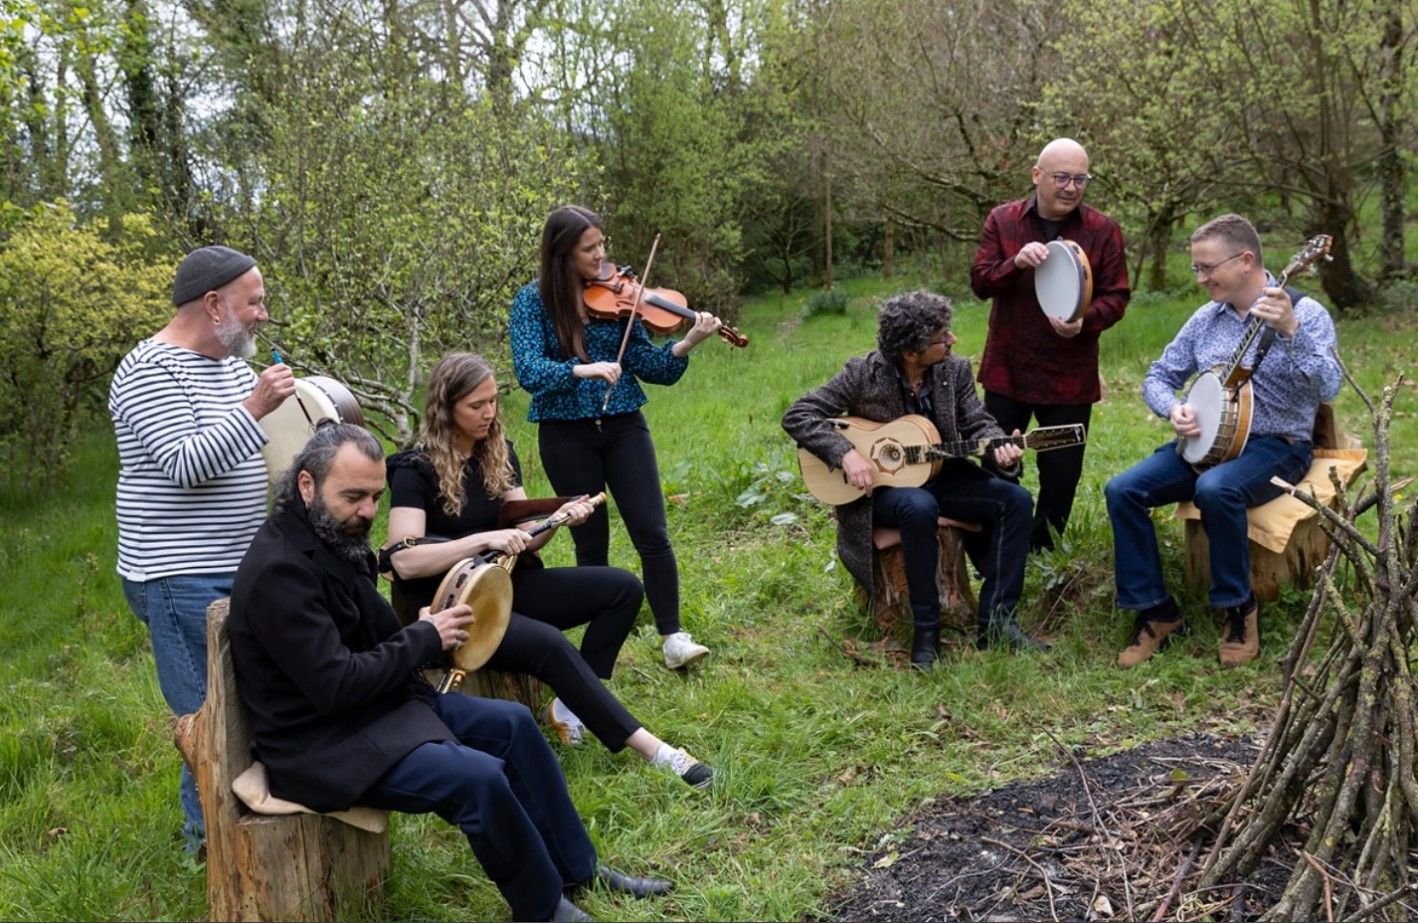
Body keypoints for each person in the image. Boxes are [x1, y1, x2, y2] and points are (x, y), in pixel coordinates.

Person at [228, 422, 675, 923]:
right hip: (323, 743)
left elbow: (366, 636)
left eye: (376, 496)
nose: (368, 512)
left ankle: (578, 867)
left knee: (514, 725)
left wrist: (418, 628)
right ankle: (543, 908)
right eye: (353, 496)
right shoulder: (279, 571)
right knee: (477, 777)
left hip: (373, 710)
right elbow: (333, 685)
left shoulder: (328, 531)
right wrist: (422, 639)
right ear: (307, 484)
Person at [383, 353, 713, 789]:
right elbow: (403, 559)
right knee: (550, 645)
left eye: (493, 401)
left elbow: (525, 535)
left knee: (623, 589)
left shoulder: (497, 453)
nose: (489, 413)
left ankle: (572, 707)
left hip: (507, 583)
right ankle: (655, 750)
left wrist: (557, 521)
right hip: (452, 611)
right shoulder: (415, 468)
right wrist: (484, 540)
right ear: (445, 408)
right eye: (475, 405)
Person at [109, 244, 295, 853]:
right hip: (176, 574)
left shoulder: (231, 368)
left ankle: (242, 825)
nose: (264, 314)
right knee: (209, 718)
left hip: (240, 566)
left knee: (244, 704)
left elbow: (255, 455)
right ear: (214, 304)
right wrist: (256, 407)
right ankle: (209, 847)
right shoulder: (148, 369)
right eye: (255, 301)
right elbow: (186, 464)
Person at [1105, 214, 1341, 669]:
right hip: (1210, 443)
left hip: (1279, 445)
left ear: (1246, 260)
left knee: (1217, 489)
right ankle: (1156, 610)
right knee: (1123, 490)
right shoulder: (1206, 319)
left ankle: (1237, 608)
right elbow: (1158, 376)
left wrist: (1291, 332)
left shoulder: (1305, 313)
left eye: (1207, 267)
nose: (1200, 277)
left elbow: (1329, 387)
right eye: (1196, 267)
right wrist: (1171, 408)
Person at [782, 290, 1048, 671]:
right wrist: (845, 453)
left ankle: (998, 620)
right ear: (911, 352)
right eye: (942, 337)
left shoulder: (953, 371)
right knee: (919, 507)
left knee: (1015, 500)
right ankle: (926, 631)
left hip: (941, 474)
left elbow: (977, 421)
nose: (952, 341)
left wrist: (999, 449)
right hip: (880, 489)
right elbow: (798, 414)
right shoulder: (862, 373)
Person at [509, 204, 722, 670]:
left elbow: (650, 366)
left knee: (652, 531)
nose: (602, 256)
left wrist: (687, 343)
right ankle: (599, 651)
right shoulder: (532, 301)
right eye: (591, 248)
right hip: (565, 432)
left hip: (624, 424)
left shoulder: (619, 298)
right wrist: (581, 369)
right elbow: (527, 370)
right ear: (562, 253)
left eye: (602, 244)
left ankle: (673, 637)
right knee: (591, 543)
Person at [970, 137, 1131, 551]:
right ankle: (995, 546)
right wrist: (1014, 264)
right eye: (1061, 177)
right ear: (1037, 175)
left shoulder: (1103, 230)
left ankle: (1040, 550)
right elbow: (981, 282)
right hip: (1009, 368)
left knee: (1061, 472)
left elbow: (1117, 297)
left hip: (1069, 376)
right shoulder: (1003, 221)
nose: (1071, 187)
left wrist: (1084, 321)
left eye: (1080, 179)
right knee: (996, 460)